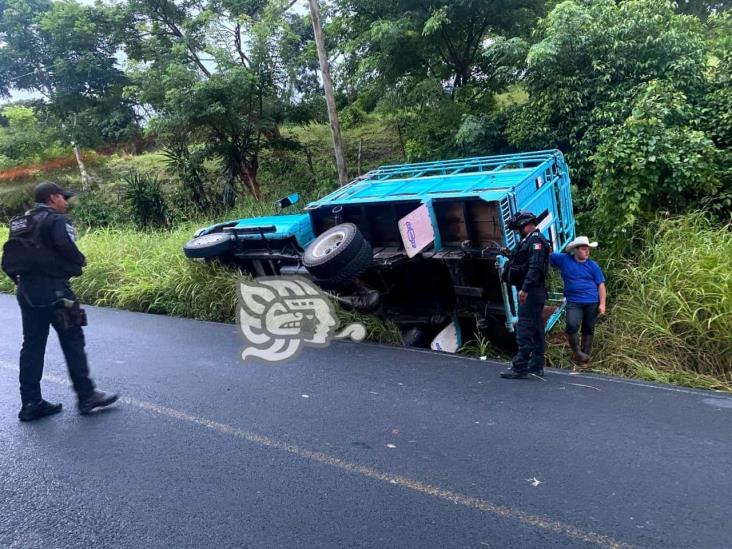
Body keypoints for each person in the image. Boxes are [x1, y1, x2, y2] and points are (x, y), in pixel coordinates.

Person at [2, 181, 118, 421]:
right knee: (72, 339)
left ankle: (31, 402)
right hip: (55, 291)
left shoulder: (21, 222)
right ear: (53, 198)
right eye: (63, 198)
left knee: (32, 346)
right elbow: (66, 245)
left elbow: (12, 255)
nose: (66, 202)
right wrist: (80, 261)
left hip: (26, 291)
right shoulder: (56, 220)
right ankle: (87, 396)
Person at [500, 211, 551, 380]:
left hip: (531, 291)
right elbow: (523, 261)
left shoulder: (536, 241)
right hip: (533, 292)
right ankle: (536, 366)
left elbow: (535, 268)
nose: (517, 231)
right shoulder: (528, 241)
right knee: (536, 329)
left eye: (519, 228)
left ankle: (520, 367)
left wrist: (525, 289)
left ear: (527, 225)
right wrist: (508, 254)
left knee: (525, 328)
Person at [550, 235, 606, 364]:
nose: (587, 251)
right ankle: (577, 352)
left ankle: (584, 358)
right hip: (574, 301)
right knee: (572, 324)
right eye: (584, 249)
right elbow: (547, 256)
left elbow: (601, 285)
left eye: (588, 249)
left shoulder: (593, 266)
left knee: (588, 327)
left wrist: (602, 304)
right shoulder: (564, 259)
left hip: (591, 301)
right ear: (575, 250)